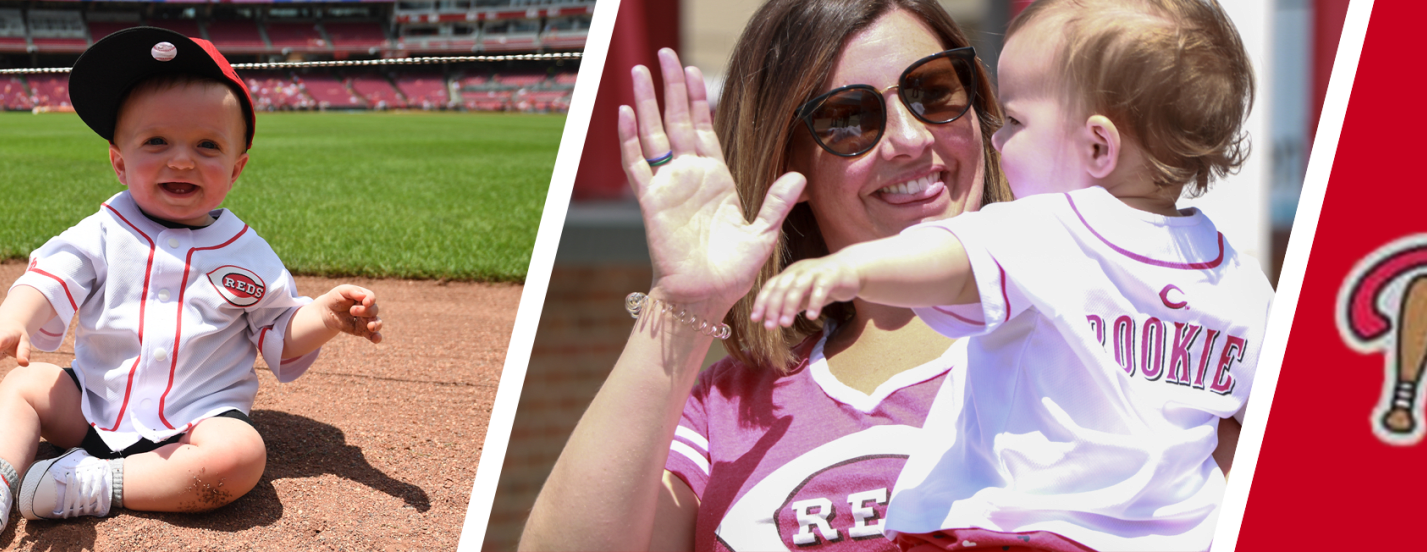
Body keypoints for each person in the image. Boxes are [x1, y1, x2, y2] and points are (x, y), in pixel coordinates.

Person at [750, 0, 1268, 549]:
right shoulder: (1240, 282)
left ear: (1098, 146)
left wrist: (849, 269)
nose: (997, 138)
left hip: (1014, 531)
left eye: (1017, 122)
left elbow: (947, 266)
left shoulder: (1049, 227)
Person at [517, 0, 1033, 549]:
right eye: (849, 118)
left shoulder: (1077, 327)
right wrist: (689, 304)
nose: (910, 138)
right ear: (789, 163)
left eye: (933, 91)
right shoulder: (728, 407)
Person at [0, 27, 384, 542]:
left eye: (207, 145)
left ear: (236, 169)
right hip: (92, 407)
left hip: (196, 421)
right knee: (24, 386)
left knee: (240, 456)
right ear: (119, 161)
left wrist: (324, 318)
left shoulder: (247, 251)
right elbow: (50, 277)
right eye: (156, 142)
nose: (182, 159)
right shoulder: (104, 230)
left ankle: (92, 483)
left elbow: (280, 329)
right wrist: (12, 321)